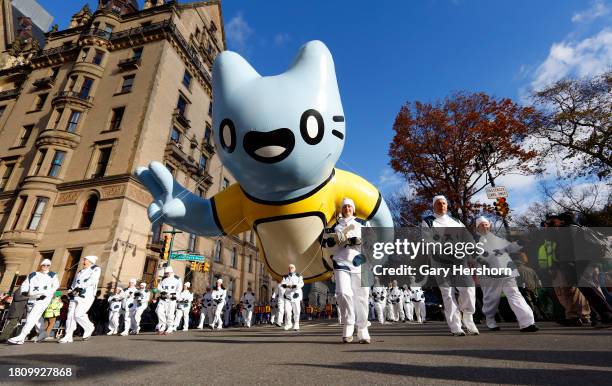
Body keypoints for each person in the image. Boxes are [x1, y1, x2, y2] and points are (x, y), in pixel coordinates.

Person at [421, 195, 479, 336]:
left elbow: (468, 238)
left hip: (459, 261)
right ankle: (455, 326)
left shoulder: (456, 221)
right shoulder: (428, 222)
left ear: (447, 205)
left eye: (444, 203)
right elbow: (427, 241)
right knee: (448, 294)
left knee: (468, 290)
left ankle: (468, 318)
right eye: (438, 203)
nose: (442, 205)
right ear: (434, 206)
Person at [475, 217, 538, 332]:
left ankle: (527, 323)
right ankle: (490, 319)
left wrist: (520, 243)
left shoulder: (498, 239)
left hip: (507, 272)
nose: (485, 227)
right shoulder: (477, 242)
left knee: (515, 295)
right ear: (477, 228)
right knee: (491, 299)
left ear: (489, 226)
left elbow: (510, 247)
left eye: (486, 224)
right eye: (481, 225)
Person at [328, 198, 370, 343]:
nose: (347, 209)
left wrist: (358, 241)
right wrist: (333, 240)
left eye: (349, 207)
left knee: (361, 295)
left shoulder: (362, 223)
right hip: (341, 260)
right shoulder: (335, 225)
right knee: (343, 293)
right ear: (342, 209)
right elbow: (326, 242)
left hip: (359, 260)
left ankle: (363, 329)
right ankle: (348, 324)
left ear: (353, 208)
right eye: (345, 207)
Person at [8, 259, 59, 345]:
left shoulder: (52, 275)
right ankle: (43, 332)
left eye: (48, 265)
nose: (45, 267)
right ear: (41, 265)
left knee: (32, 317)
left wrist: (46, 294)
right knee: (36, 318)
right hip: (32, 297)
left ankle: (21, 337)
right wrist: (24, 291)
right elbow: (25, 284)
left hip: (43, 298)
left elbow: (55, 286)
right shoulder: (33, 274)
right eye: (44, 265)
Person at [59, 255, 101, 343]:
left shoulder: (96, 269)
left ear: (90, 261)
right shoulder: (80, 271)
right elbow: (74, 283)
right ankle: (68, 335)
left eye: (85, 260)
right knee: (70, 316)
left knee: (78, 314)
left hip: (86, 295)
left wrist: (80, 288)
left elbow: (92, 280)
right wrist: (71, 290)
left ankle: (89, 327)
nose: (83, 262)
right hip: (75, 295)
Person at [156, 266, 182, 334]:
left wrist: (175, 295)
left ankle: (170, 327)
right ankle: (163, 325)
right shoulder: (164, 279)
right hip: (163, 298)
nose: (166, 274)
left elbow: (179, 288)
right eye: (166, 273)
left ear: (171, 272)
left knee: (170, 313)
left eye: (167, 273)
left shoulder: (177, 278)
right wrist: (162, 291)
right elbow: (159, 286)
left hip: (171, 298)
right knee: (159, 311)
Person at [281, 264, 304, 331]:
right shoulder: (285, 277)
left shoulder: (299, 276)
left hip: (295, 295)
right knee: (287, 310)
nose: (290, 268)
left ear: (294, 269)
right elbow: (283, 284)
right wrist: (287, 286)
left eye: (292, 267)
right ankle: (289, 323)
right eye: (289, 268)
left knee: (296, 310)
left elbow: (301, 284)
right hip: (288, 295)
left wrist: (295, 286)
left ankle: (296, 324)